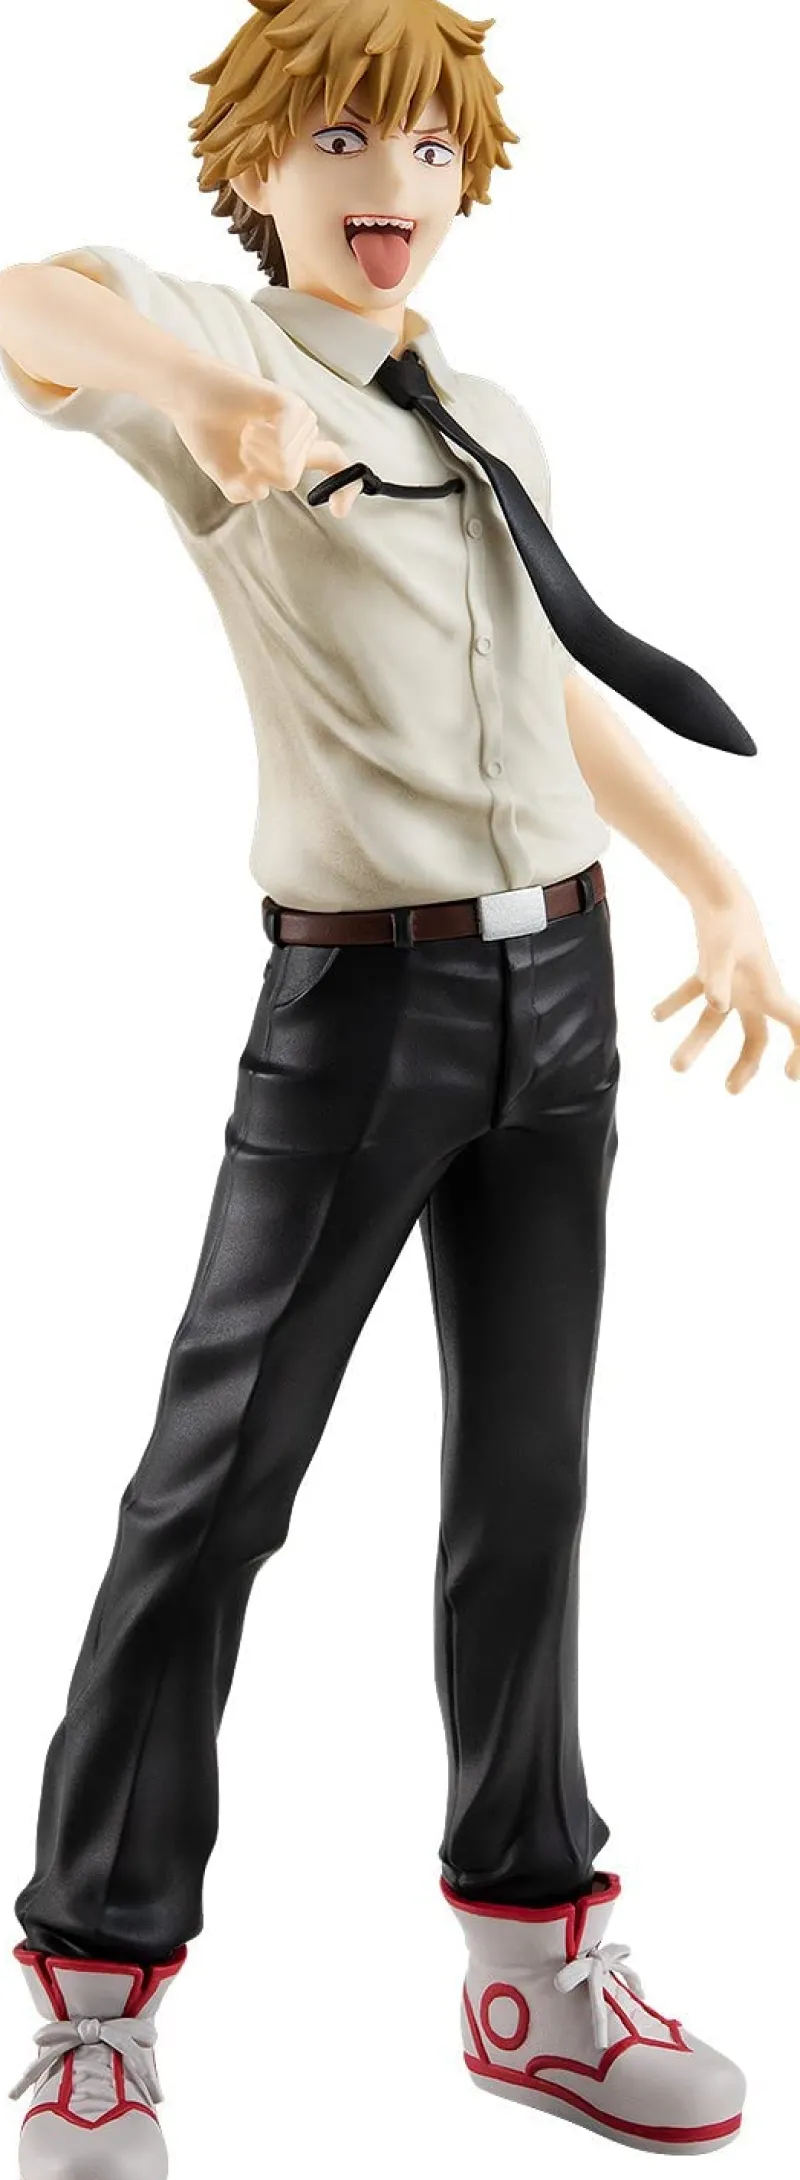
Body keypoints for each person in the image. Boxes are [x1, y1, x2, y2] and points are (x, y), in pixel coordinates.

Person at [1, 3, 798, 2170]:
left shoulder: (487, 412)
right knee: (217, 1482)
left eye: (432, 149)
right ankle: (93, 1996)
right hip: (363, 1007)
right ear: (260, 163)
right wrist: (202, 394)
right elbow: (25, 303)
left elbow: (543, 690)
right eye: (344, 137)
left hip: (563, 993)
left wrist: (719, 885)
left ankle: (535, 1955)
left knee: (528, 1482)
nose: (392, 187)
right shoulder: (214, 357)